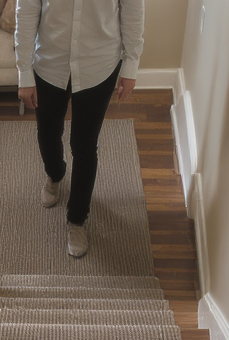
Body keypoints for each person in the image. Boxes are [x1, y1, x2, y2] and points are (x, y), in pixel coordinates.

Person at [15, 0, 144, 258]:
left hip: (100, 64)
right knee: (48, 133)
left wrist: (131, 65)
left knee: (84, 146)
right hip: (49, 63)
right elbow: (27, 12)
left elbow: (132, 9)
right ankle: (56, 174)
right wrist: (24, 72)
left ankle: (77, 219)